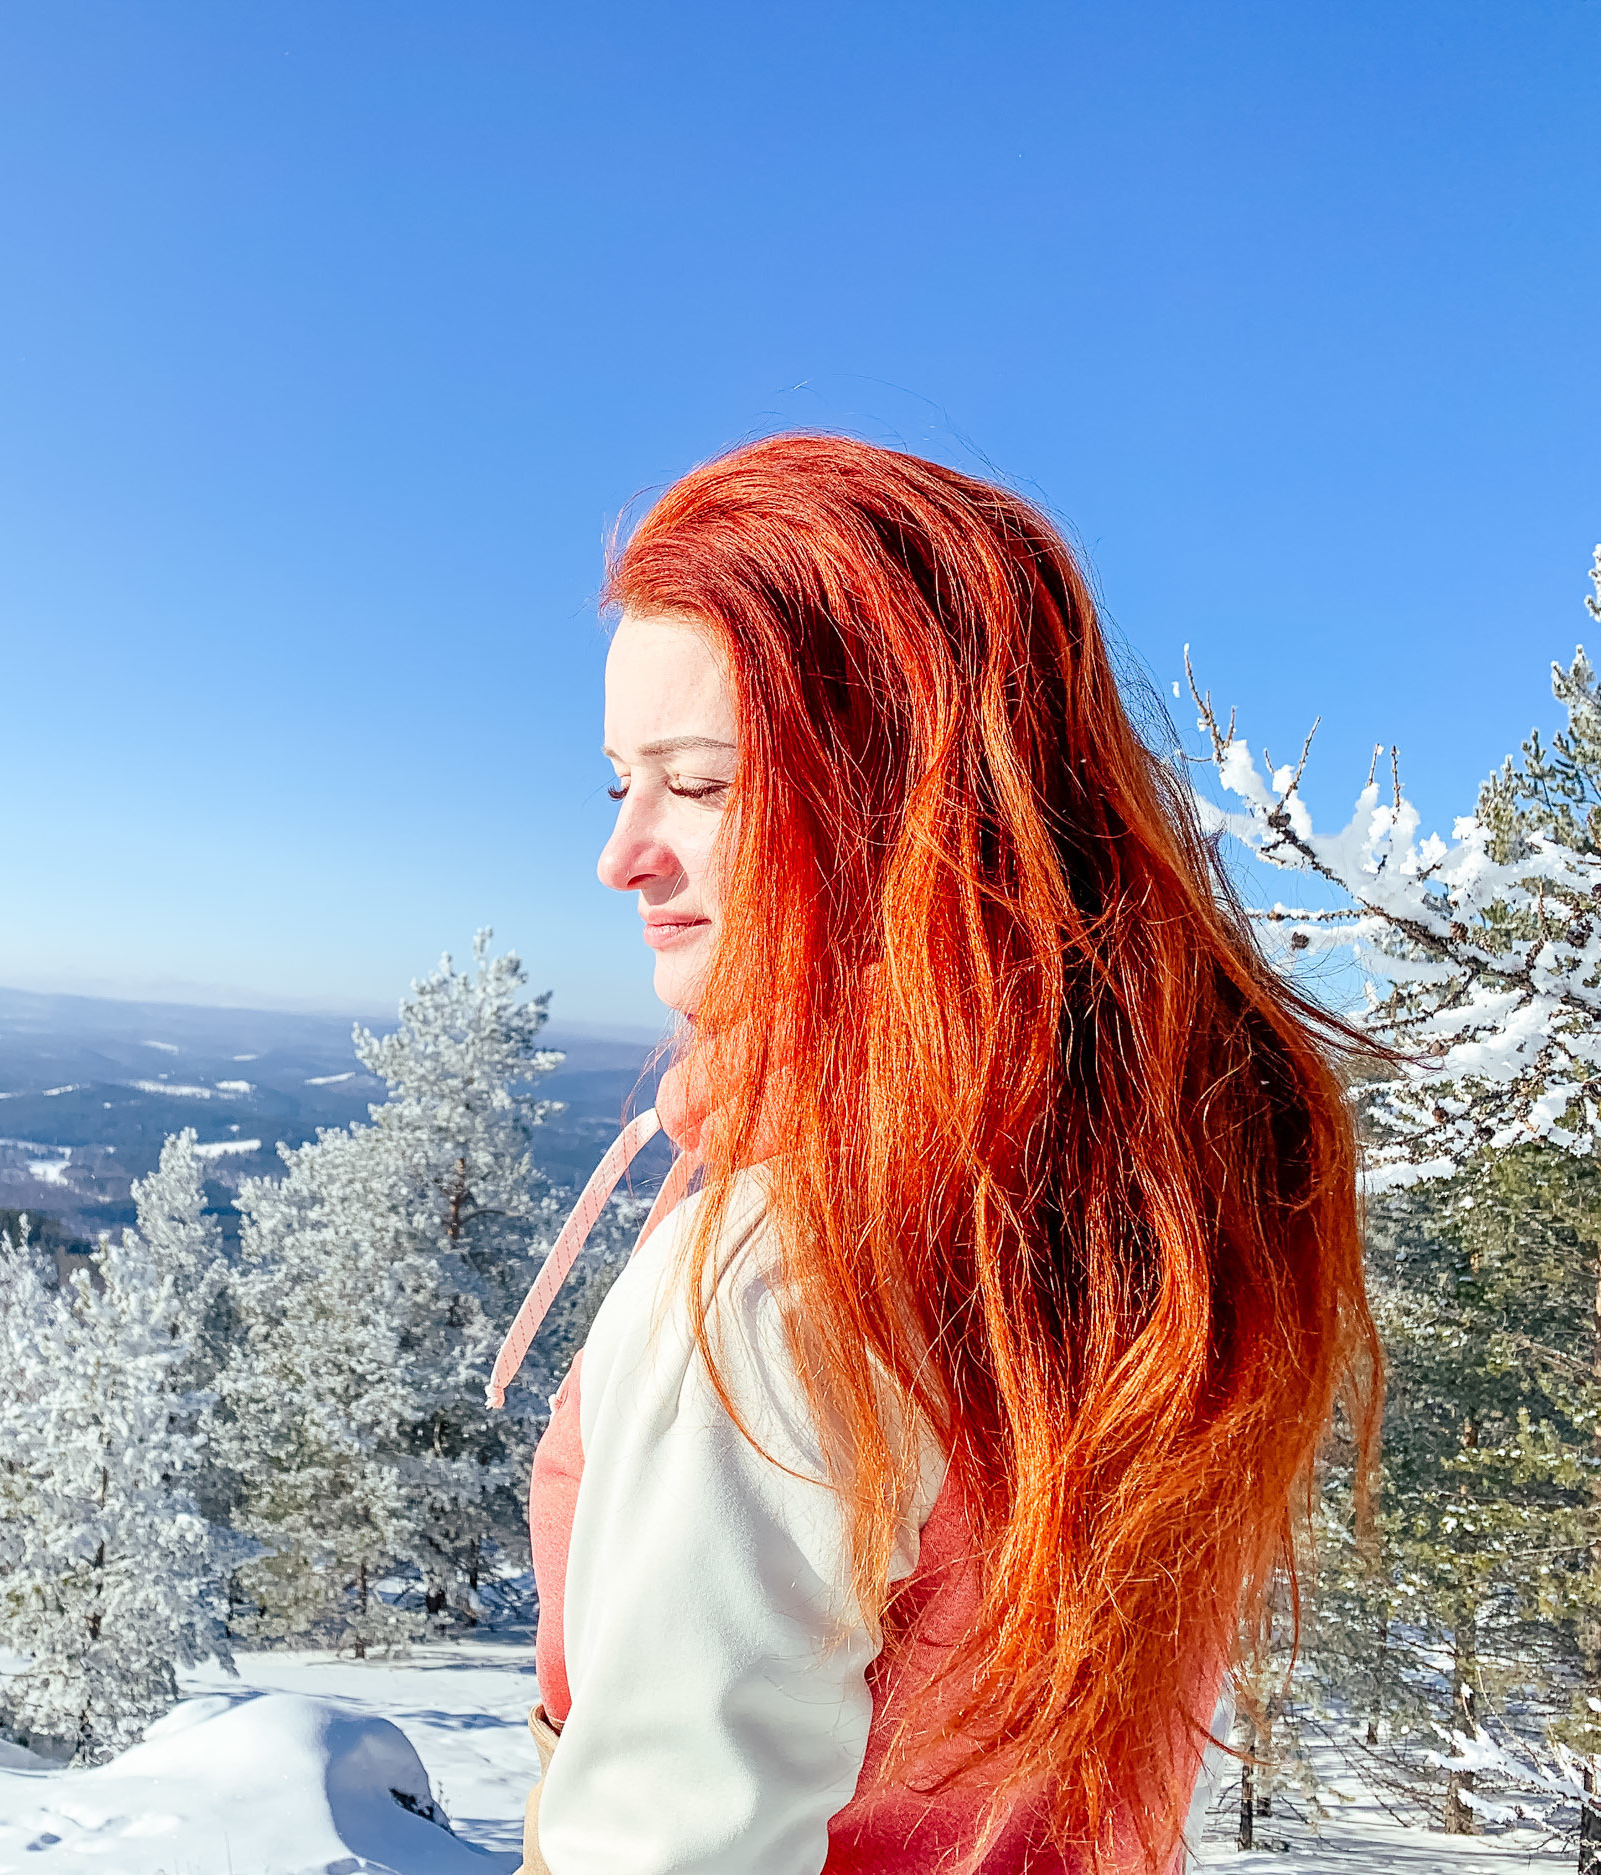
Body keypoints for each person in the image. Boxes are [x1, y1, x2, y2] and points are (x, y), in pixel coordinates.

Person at [505, 436, 1380, 1874]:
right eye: (620, 785)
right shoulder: (1170, 1207)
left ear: (901, 795)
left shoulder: (777, 1283)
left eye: (701, 782)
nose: (624, 854)